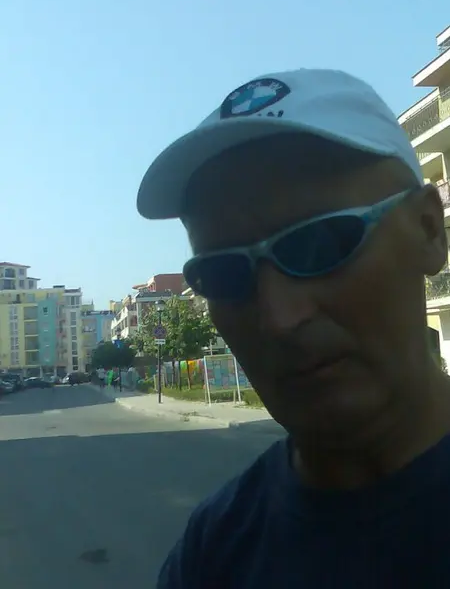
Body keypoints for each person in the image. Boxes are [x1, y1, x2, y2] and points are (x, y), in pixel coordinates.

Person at [137, 69, 450, 587]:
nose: (280, 319)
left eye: (320, 244)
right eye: (225, 274)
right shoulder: (212, 552)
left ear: (428, 230)